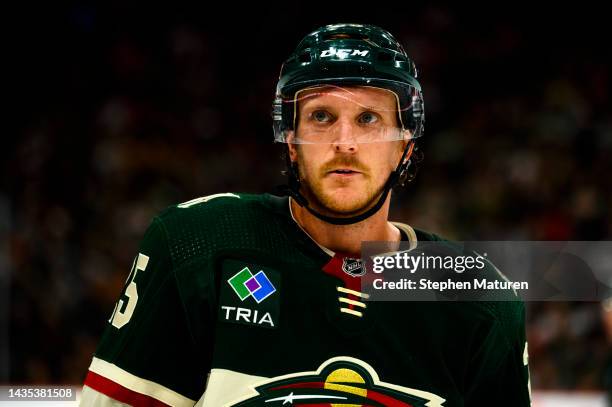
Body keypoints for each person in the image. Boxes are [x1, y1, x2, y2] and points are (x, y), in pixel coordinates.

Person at [81, 23, 531, 406]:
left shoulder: (476, 298)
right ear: (291, 139)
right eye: (321, 116)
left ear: (405, 146)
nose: (345, 142)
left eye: (369, 119)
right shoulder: (196, 244)